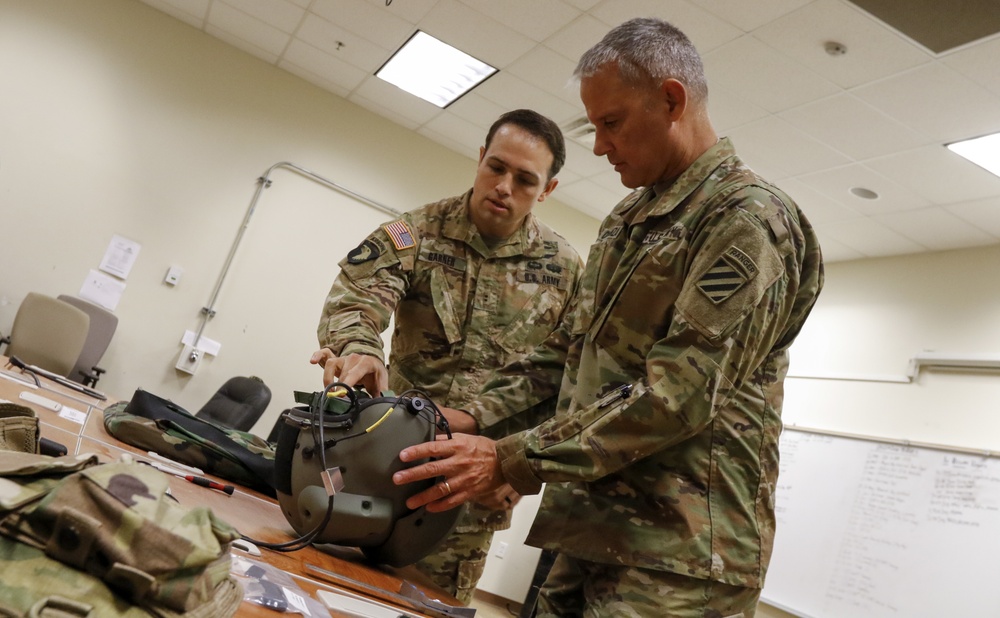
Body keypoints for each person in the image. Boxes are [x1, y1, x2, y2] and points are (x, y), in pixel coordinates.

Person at [391, 18, 825, 618]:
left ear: (672, 100)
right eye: (593, 126)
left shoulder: (747, 222)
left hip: (682, 554)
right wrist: (464, 416)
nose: (599, 146)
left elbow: (677, 394)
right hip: (594, 526)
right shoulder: (628, 220)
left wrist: (510, 458)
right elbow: (564, 357)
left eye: (611, 123)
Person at [309, 109, 584, 604]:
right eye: (496, 167)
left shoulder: (565, 271)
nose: (504, 186)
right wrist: (360, 348)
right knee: (331, 590)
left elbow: (570, 379)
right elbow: (357, 296)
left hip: (473, 490)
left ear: (547, 190)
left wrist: (523, 471)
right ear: (480, 158)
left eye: (525, 179)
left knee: (427, 605)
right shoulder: (416, 232)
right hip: (383, 461)